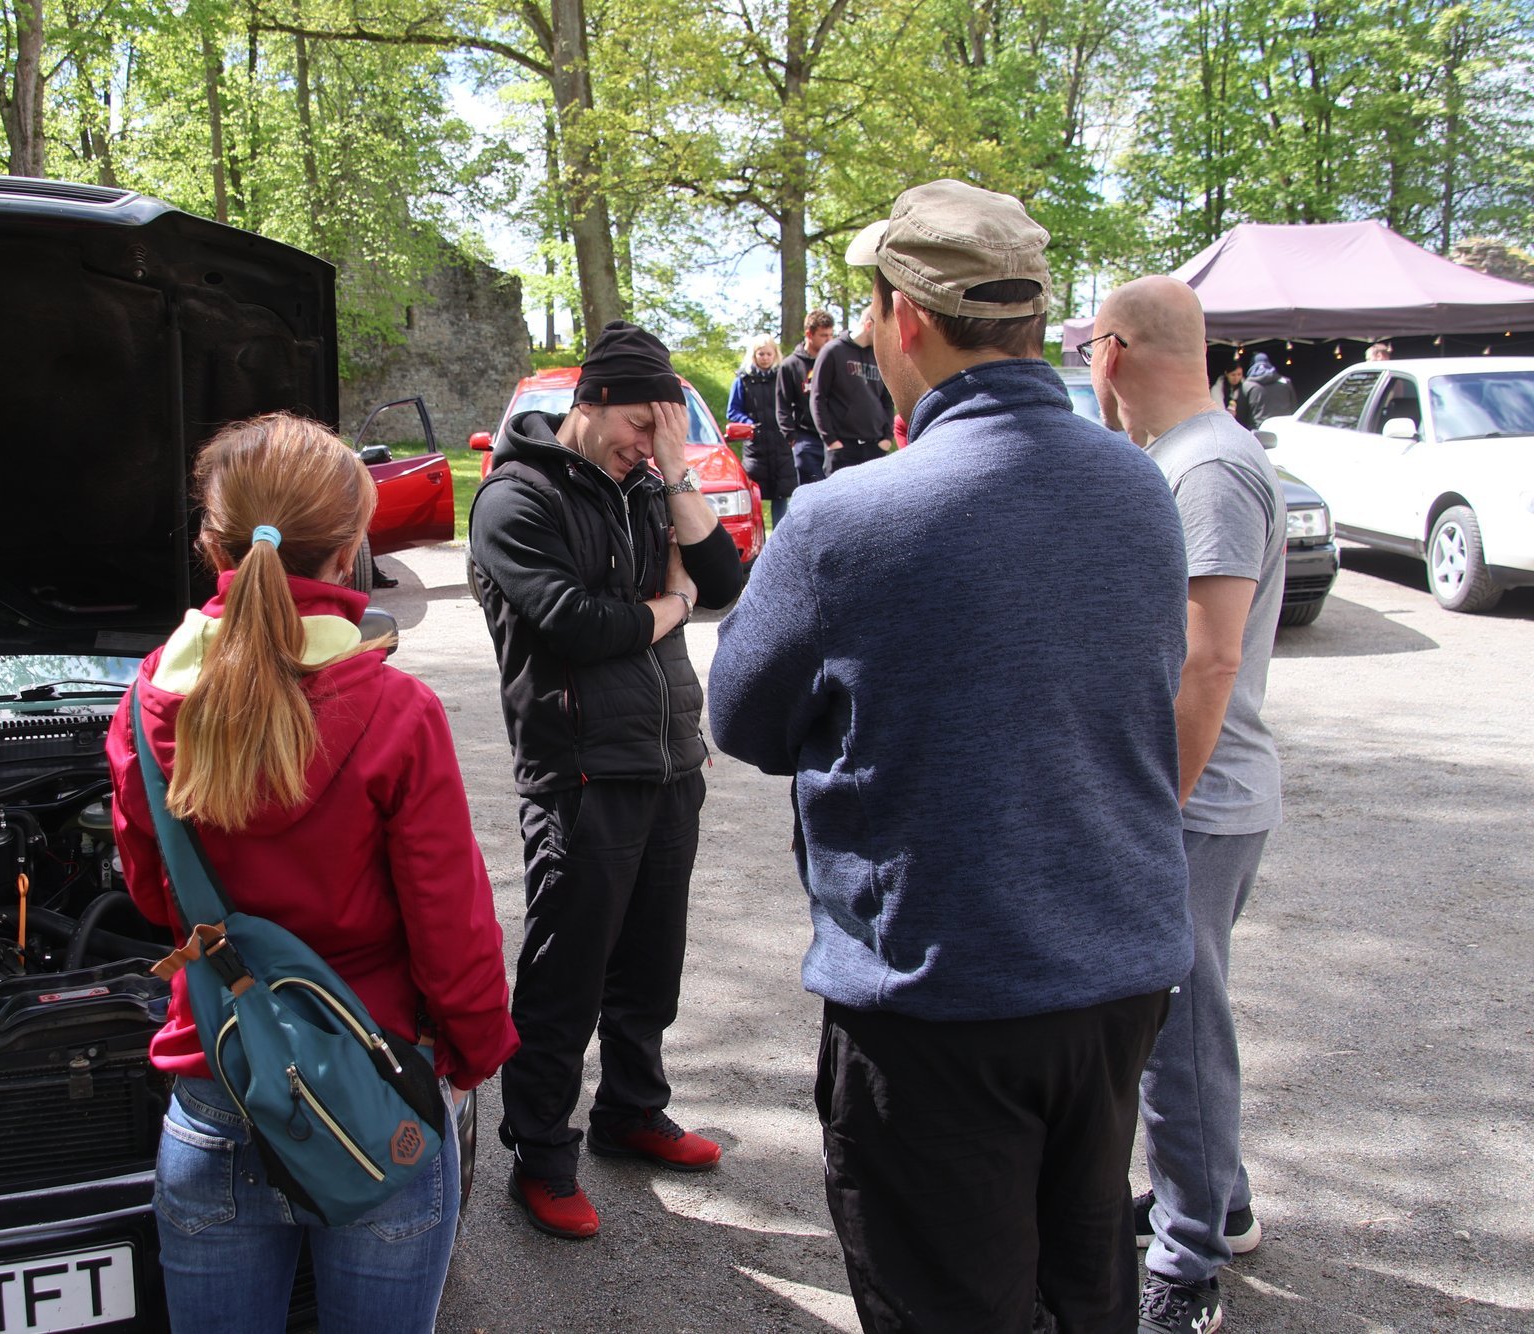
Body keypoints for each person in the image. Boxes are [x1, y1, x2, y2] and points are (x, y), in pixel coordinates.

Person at [708, 180, 1194, 1332]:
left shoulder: (844, 518)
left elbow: (741, 716)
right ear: (1031, 320)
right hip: (1115, 979)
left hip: (941, 998)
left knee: (945, 1301)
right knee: (1081, 1284)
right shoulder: (1138, 486)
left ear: (900, 316)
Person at [106, 413, 518, 1333]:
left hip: (215, 1085)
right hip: (374, 1089)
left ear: (214, 544)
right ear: (350, 555)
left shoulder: (145, 703)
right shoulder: (396, 710)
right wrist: (477, 1050)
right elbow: (450, 925)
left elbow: (149, 897)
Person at [467, 320, 745, 1240]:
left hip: (670, 756)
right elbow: (573, 625)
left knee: (650, 963)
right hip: (579, 772)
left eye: (663, 428)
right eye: (639, 423)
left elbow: (728, 581)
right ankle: (541, 1154)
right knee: (566, 974)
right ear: (587, 404)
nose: (647, 443)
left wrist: (675, 473)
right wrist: (668, 608)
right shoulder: (516, 497)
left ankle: (631, 1112)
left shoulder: (645, 486)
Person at [1089, 276, 1287, 1334]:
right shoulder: (1185, 457)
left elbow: (1207, 661)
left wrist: (1149, 802)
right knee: (1179, 1015)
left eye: (1089, 350)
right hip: (1199, 795)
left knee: (1175, 1028)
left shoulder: (1206, 466)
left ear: (1109, 352)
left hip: (1195, 802)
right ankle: (1214, 1195)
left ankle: (1188, 1252)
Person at [809, 308, 895, 471]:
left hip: (875, 447)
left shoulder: (880, 355)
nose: (885, 337)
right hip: (843, 448)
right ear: (869, 325)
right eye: (882, 331)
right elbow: (817, 398)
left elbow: (887, 400)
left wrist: (887, 438)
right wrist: (831, 440)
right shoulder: (832, 351)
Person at [727, 333, 797, 525]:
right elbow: (732, 411)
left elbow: (793, 405)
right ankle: (758, 540)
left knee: (781, 496)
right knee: (754, 494)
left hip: (781, 446)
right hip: (756, 447)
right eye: (761, 354)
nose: (765, 358)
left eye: (769, 354)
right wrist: (749, 424)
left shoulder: (783, 377)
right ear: (754, 355)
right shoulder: (742, 380)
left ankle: (780, 538)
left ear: (775, 354)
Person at [777, 310, 836, 487]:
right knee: (813, 492)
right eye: (823, 335)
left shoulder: (834, 360)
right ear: (809, 334)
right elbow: (782, 405)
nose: (829, 340)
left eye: (831, 335)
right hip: (807, 439)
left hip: (835, 438)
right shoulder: (790, 366)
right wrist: (792, 438)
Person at [1240, 351, 1297, 422]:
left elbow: (1241, 414)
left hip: (1258, 430)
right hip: (1284, 428)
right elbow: (1294, 407)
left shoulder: (1247, 385)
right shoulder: (1285, 382)